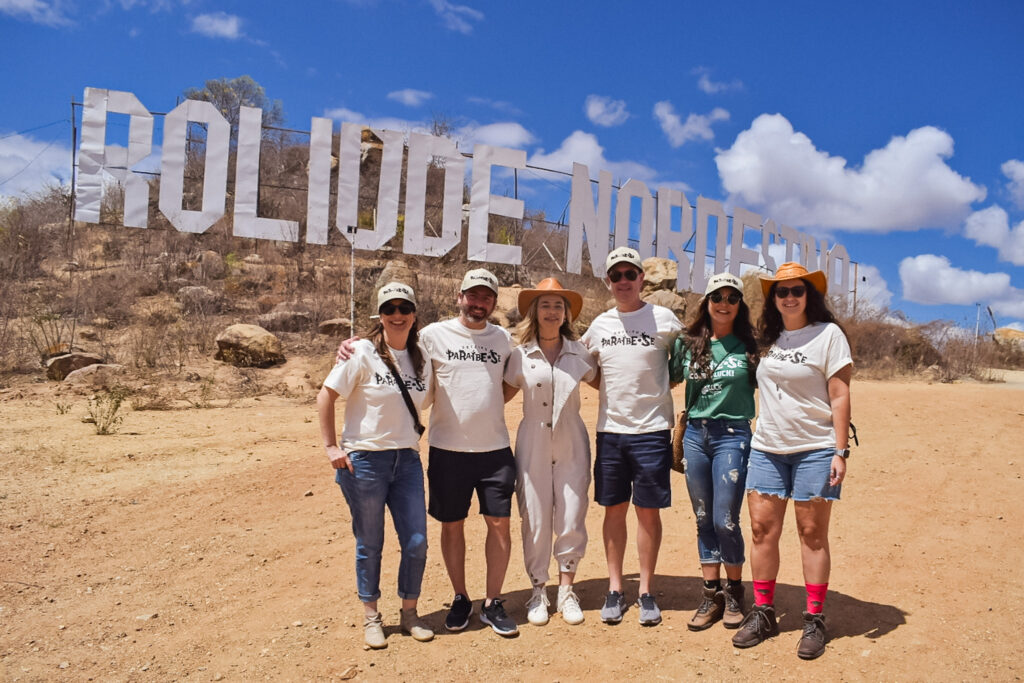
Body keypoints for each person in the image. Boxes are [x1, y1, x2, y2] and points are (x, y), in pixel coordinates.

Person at [336, 268, 519, 637]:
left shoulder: (504, 340)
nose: (478, 303)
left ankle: (493, 602)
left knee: (499, 525)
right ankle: (461, 598)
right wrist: (351, 345)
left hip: (496, 449)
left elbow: (511, 383)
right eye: (473, 295)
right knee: (452, 525)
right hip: (447, 449)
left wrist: (487, 407)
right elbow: (393, 344)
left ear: (494, 303)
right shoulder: (433, 335)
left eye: (486, 297)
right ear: (460, 297)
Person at [731, 262, 853, 661]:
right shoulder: (768, 338)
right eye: (780, 292)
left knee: (811, 534)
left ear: (809, 295)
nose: (788, 297)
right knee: (762, 530)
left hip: (815, 448)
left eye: (796, 291)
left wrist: (839, 450)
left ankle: (814, 618)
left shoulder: (828, 335)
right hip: (767, 447)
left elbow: (839, 394)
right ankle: (764, 611)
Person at [316, 282, 435, 650]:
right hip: (365, 461)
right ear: (379, 316)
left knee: (416, 542)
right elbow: (327, 395)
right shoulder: (361, 352)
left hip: (407, 460)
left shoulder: (422, 356)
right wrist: (332, 446)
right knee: (370, 542)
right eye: (389, 309)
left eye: (404, 308)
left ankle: (410, 613)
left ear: (414, 315)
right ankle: (371, 617)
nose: (397, 315)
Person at [582, 247, 683, 626]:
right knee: (613, 510)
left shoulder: (664, 319)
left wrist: (661, 388)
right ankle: (614, 587)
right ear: (608, 282)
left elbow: (681, 362)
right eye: (616, 275)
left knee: (648, 512)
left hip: (652, 432)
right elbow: (588, 369)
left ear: (642, 278)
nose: (623, 281)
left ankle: (645, 590)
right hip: (611, 433)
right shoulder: (600, 325)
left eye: (630, 274)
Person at [503, 278, 597, 626]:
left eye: (559, 305)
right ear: (534, 311)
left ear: (566, 313)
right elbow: (500, 391)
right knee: (536, 515)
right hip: (532, 438)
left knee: (572, 512)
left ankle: (567, 589)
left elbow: (606, 379)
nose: (552, 311)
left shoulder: (580, 352)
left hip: (572, 437)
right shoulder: (519, 355)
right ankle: (538, 589)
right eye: (545, 304)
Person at [668, 272, 759, 632]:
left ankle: (735, 591)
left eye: (732, 297)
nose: (724, 303)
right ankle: (711, 593)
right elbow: (667, 376)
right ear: (706, 302)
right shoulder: (687, 344)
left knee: (726, 519)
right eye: (717, 296)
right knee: (704, 517)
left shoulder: (751, 346)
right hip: (695, 435)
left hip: (733, 436)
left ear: (740, 304)